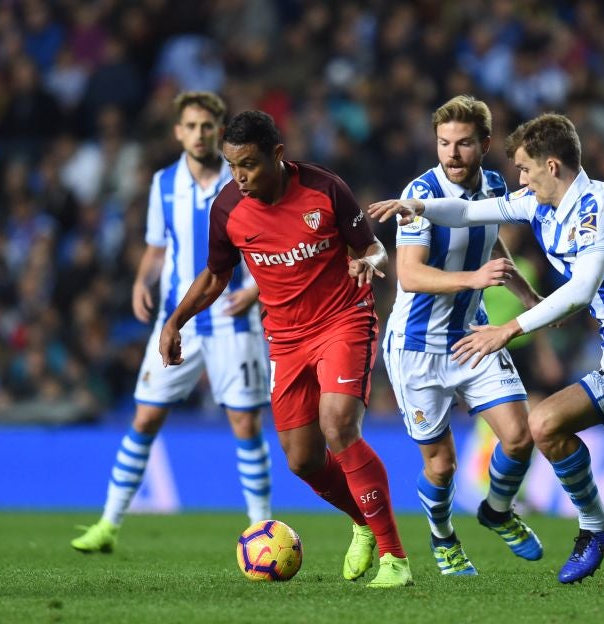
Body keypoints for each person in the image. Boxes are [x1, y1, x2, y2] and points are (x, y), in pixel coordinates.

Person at [369, 113, 604, 584]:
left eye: (525, 169)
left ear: (552, 165)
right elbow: (465, 212)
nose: (519, 179)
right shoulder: (538, 202)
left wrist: (509, 328)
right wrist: (418, 209)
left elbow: (582, 290)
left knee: (543, 423)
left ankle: (595, 527)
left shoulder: (595, 206)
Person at [158, 110, 413, 588]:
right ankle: (362, 521)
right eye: (233, 166)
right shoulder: (229, 209)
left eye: (249, 165)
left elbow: (372, 248)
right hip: (286, 339)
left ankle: (395, 559)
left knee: (338, 424)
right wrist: (176, 321)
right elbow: (216, 275)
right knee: (302, 460)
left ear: (278, 155)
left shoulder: (325, 189)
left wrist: (369, 263)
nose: (240, 176)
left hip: (344, 319)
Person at [72, 92, 273, 553]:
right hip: (176, 319)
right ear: (177, 132)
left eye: (208, 126)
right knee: (145, 416)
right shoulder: (164, 184)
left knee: (245, 424)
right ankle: (108, 524)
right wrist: (142, 280)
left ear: (221, 132)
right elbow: (158, 247)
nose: (199, 134)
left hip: (230, 318)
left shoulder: (242, 178)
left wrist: (256, 289)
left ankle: (261, 529)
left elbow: (271, 238)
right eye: (191, 126)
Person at [384, 95, 543, 576]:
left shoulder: (495, 186)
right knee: (442, 465)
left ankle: (496, 509)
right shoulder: (419, 197)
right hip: (417, 348)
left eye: (464, 143)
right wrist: (474, 281)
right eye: (443, 143)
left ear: (486, 144)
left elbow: (490, 244)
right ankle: (443, 538)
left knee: (519, 437)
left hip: (472, 338)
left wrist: (530, 299)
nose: (451, 154)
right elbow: (410, 276)